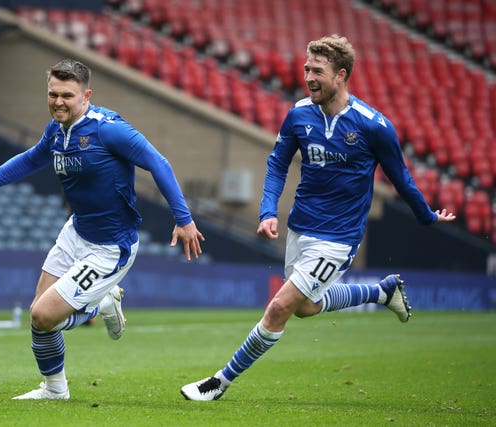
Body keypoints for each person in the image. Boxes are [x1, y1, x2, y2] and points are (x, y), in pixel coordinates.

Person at [180, 34, 456, 401]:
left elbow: (401, 179)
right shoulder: (298, 115)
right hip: (301, 226)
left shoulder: (373, 126)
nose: (308, 76)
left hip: (339, 237)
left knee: (279, 307)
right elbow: (277, 164)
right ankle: (381, 290)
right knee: (306, 308)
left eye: (317, 71)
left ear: (341, 75)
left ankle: (219, 382)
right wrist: (266, 211)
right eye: (307, 68)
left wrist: (425, 217)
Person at [0, 59, 205, 400]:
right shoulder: (56, 130)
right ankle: (55, 390)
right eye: (53, 94)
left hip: (111, 247)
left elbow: (159, 163)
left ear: (86, 95)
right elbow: (30, 159)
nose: (58, 102)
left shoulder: (108, 129)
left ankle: (101, 304)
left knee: (43, 315)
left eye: (67, 95)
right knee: (39, 315)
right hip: (76, 231)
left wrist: (183, 218)